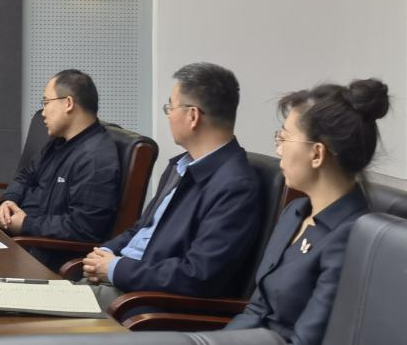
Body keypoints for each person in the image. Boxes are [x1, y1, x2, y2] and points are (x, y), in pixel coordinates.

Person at [80, 62, 262, 309]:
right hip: (121, 283)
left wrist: (115, 268)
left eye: (170, 107)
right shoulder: (180, 166)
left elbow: (198, 274)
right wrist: (102, 255)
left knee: (35, 317)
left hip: (142, 302)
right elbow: (140, 230)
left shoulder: (236, 186)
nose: (168, 115)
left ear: (192, 116)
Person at [224, 79, 386, 345]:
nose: (279, 149)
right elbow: (256, 310)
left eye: (284, 138)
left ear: (317, 154)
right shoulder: (295, 212)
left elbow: (305, 341)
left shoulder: (350, 238)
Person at [0, 70, 121, 271]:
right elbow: (26, 175)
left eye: (46, 102)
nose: (43, 112)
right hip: (23, 242)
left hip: (45, 258)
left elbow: (83, 227)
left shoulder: (96, 158)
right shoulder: (59, 142)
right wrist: (9, 201)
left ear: (68, 103)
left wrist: (25, 224)